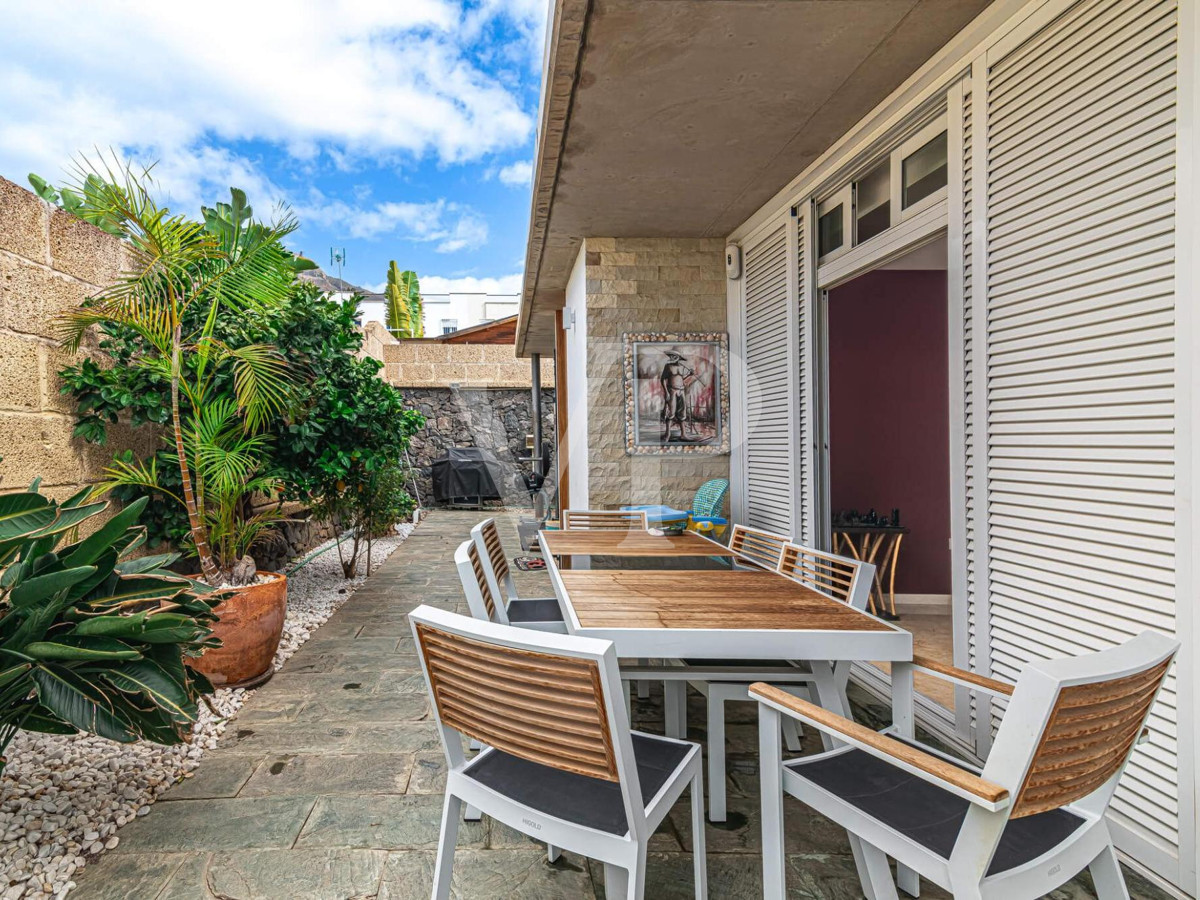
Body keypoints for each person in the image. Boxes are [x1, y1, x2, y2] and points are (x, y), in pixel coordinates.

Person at [659, 349, 695, 442]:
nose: (671, 357)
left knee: (682, 413)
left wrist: (689, 375)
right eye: (670, 356)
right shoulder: (668, 366)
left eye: (673, 356)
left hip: (681, 391)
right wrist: (666, 392)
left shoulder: (682, 367)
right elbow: (663, 379)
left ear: (678, 358)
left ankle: (683, 435)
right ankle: (667, 435)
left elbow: (681, 379)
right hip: (672, 391)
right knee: (670, 413)